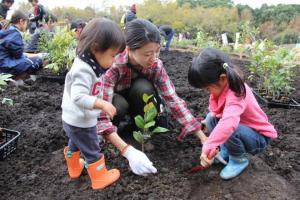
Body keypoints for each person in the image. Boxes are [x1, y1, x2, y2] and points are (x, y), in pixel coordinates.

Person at [96, 19, 207, 176]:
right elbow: (102, 110)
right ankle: (109, 138)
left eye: (157, 51)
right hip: (115, 101)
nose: (154, 58)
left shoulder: (156, 66)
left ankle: (141, 132)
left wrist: (202, 137)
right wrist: (127, 151)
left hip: (137, 101)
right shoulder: (114, 65)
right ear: (129, 49)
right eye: (147, 54)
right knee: (117, 104)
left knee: (144, 89)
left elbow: (173, 100)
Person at [188, 48, 278, 180]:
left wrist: (209, 145)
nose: (208, 92)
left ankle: (238, 159)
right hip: (244, 130)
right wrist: (207, 124)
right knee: (211, 119)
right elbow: (218, 115)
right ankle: (227, 151)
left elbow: (229, 122)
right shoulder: (224, 85)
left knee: (230, 127)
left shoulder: (237, 92)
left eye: (208, 88)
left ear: (222, 79)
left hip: (258, 138)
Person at [61, 18, 126, 190]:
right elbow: (78, 97)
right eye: (112, 56)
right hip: (81, 121)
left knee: (75, 142)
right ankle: (99, 177)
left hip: (73, 120)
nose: (113, 61)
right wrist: (102, 104)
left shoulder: (90, 64)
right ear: (96, 48)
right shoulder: (83, 70)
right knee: (92, 149)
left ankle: (74, 167)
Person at [0, 10, 43, 82]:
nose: (27, 25)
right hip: (4, 66)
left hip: (2, 62)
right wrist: (37, 56)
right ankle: (15, 80)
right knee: (37, 61)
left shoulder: (7, 30)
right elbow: (18, 56)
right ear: (21, 21)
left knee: (32, 58)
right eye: (26, 23)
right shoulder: (15, 33)